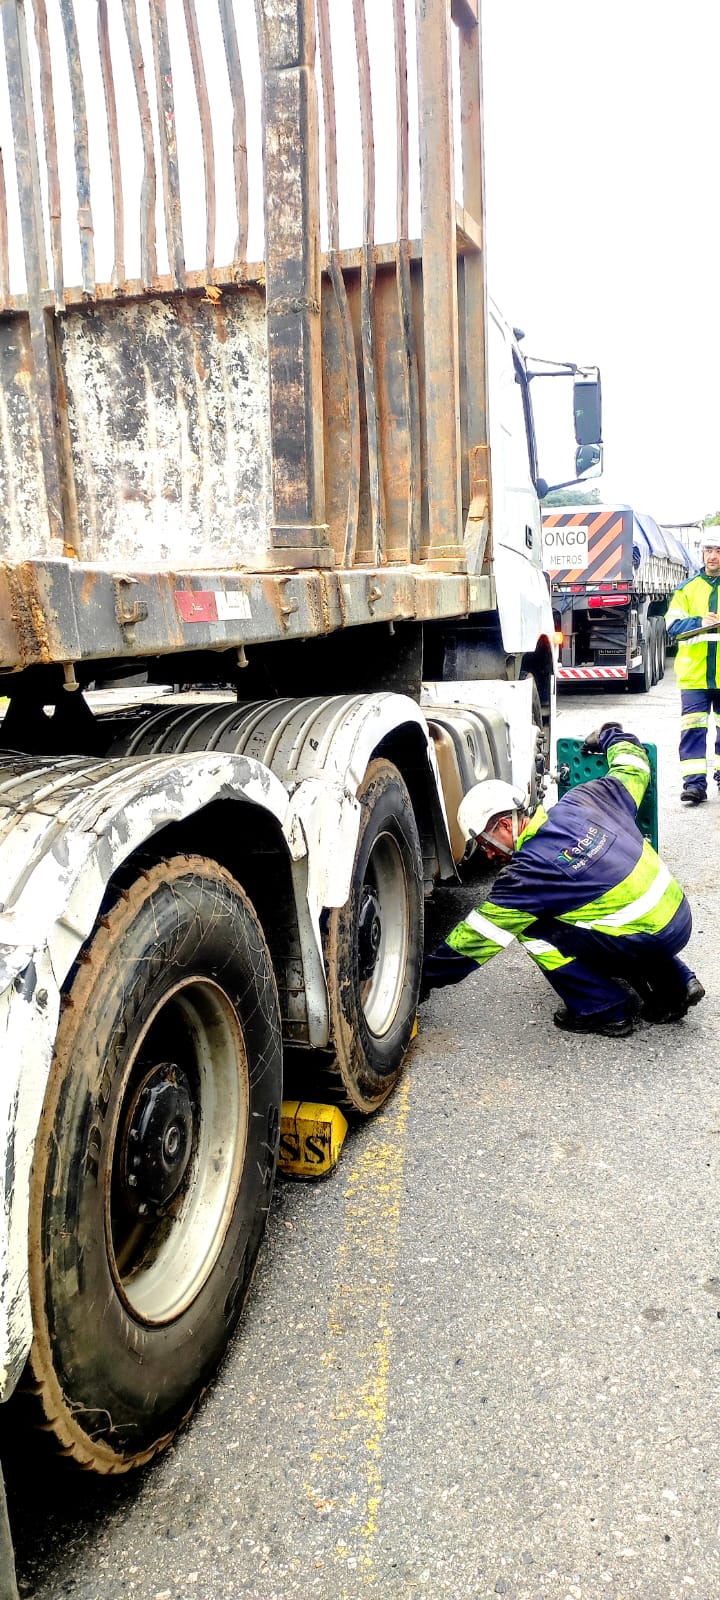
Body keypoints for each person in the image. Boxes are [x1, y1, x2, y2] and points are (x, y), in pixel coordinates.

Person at [420, 725, 704, 1039]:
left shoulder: (528, 873)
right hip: (678, 915)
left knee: (532, 927)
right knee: (609, 913)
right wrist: (612, 735)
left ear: (503, 825)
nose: (487, 855)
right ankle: (675, 984)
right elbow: (633, 767)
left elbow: (477, 938)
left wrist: (425, 977)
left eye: (485, 843)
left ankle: (604, 1009)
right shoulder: (585, 799)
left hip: (646, 938)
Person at [665, 531, 720, 804]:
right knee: (693, 732)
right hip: (694, 676)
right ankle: (695, 786)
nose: (713, 556)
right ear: (701, 552)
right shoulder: (687, 589)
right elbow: (672, 626)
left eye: (718, 550)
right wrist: (700, 621)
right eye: (709, 549)